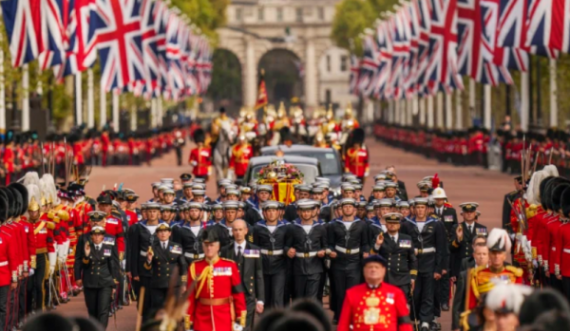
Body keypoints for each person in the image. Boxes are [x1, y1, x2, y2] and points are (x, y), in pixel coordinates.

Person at [399, 198, 447, 331]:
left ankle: (425, 320)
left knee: (428, 292)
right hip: (413, 262)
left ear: (427, 209)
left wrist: (438, 268)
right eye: (418, 208)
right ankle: (416, 318)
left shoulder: (436, 224)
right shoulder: (407, 224)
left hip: (429, 261)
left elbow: (441, 248)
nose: (420, 210)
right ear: (414, 209)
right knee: (415, 292)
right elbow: (403, 245)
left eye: (422, 208)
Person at [186, 229, 247, 331]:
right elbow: (190, 297)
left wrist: (240, 317)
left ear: (218, 247)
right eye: (206, 245)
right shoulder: (195, 267)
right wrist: (189, 320)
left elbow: (238, 293)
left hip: (224, 318)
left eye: (212, 245)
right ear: (202, 247)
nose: (209, 248)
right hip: (201, 319)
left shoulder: (230, 266)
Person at [337, 254, 413, 331]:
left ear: (383, 270)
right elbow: (343, 324)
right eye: (370, 267)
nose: (373, 270)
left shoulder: (396, 293)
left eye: (377, 267)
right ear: (364, 270)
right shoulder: (352, 293)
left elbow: (405, 323)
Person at [327, 198, 370, 321]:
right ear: (341, 209)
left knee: (353, 292)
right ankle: (341, 318)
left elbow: (365, 243)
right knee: (340, 293)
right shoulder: (333, 225)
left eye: (350, 207)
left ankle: (353, 318)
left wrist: (365, 252)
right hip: (338, 261)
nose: (347, 209)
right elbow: (330, 243)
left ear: (355, 209)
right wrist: (331, 251)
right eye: (345, 207)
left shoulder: (362, 224)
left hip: (355, 261)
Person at [221, 220, 264, 331]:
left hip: (248, 294)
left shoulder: (254, 250)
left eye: (240, 230)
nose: (238, 233)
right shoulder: (225, 250)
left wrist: (260, 299)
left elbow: (258, 274)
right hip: (230, 295)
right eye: (235, 230)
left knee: (245, 325)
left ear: (246, 231)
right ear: (232, 232)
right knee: (232, 324)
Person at [466, 228, 524, 310]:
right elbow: (471, 305)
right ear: (489, 255)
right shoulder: (476, 275)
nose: (496, 256)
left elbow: (517, 304)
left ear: (504, 256)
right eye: (493, 253)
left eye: (499, 253)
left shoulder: (514, 275)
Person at [76, 226, 119, 328]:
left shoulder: (108, 248)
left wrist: (114, 284)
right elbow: (83, 265)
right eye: (94, 234)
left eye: (99, 235)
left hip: (105, 283)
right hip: (90, 283)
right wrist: (86, 255)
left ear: (103, 236)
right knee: (92, 311)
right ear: (91, 236)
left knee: (103, 310)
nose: (96, 237)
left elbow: (112, 266)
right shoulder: (87, 247)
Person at [286, 199, 327, 300]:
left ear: (313, 212)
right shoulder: (293, 228)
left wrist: (324, 251)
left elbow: (325, 246)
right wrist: (288, 250)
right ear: (299, 212)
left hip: (315, 266)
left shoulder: (320, 228)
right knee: (298, 297)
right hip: (298, 267)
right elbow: (287, 245)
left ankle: (310, 316)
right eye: (303, 211)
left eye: (308, 211)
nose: (306, 214)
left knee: (312, 298)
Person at [373, 213, 417, 303]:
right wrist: (377, 244)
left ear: (399, 225)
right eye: (390, 223)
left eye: (395, 223)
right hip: (387, 278)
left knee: (402, 304)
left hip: (403, 278)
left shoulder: (406, 238)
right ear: (386, 225)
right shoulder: (381, 238)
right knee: (389, 304)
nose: (392, 225)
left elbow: (412, 259)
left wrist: (412, 277)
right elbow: (373, 257)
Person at [253, 201, 289, 308]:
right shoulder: (257, 227)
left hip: (280, 265)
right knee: (265, 297)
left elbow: (288, 245)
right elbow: (254, 246)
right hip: (263, 264)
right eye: (268, 211)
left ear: (278, 212)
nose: (271, 213)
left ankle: (278, 322)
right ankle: (266, 322)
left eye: (274, 211)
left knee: (277, 296)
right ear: (264, 213)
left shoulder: (286, 227)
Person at [144, 223, 187, 310]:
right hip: (158, 284)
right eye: (160, 232)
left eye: (165, 231)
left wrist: (183, 283)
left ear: (169, 233)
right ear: (157, 234)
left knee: (173, 309)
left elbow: (183, 265)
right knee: (158, 310)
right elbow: (147, 268)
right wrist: (149, 260)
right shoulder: (152, 248)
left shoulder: (176, 247)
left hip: (173, 284)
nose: (163, 234)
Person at [452, 241, 489, 331]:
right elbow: (457, 304)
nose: (481, 257)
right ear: (474, 255)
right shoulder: (465, 276)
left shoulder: (494, 275)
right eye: (479, 254)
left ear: (489, 256)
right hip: (470, 320)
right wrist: (456, 327)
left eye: (484, 254)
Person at [450, 203, 488, 280]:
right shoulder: (456, 227)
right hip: (460, 265)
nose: (469, 214)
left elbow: (487, 247)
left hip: (477, 263)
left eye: (471, 212)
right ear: (462, 214)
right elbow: (451, 248)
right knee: (461, 289)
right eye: (467, 212)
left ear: (475, 213)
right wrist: (458, 239)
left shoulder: (482, 228)